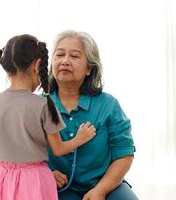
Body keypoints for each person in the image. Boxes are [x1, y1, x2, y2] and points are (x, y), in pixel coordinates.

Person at [0, 34, 97, 200]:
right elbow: (58, 149)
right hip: (34, 179)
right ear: (37, 65)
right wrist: (79, 138)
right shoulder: (43, 105)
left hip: (1, 176)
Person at [47, 30, 139, 200]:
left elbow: (124, 153)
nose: (65, 61)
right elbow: (24, 153)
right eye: (59, 54)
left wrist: (101, 190)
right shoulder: (38, 105)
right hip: (55, 188)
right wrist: (44, 174)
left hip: (105, 184)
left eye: (74, 56)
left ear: (89, 68)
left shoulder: (109, 105)